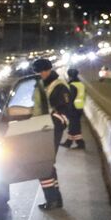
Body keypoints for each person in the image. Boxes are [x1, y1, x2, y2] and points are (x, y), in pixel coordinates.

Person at [33, 58, 72, 210]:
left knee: (43, 164)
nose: (39, 74)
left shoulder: (58, 85)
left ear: (47, 70)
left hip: (51, 127)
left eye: (41, 71)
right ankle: (55, 199)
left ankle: (53, 200)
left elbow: (63, 110)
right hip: (43, 127)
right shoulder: (42, 84)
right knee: (46, 163)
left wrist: (52, 121)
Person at [63, 67, 87, 150]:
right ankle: (69, 142)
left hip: (73, 108)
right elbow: (84, 96)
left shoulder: (72, 85)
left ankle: (80, 143)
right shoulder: (81, 84)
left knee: (74, 126)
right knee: (74, 125)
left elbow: (70, 98)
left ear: (70, 76)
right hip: (80, 107)